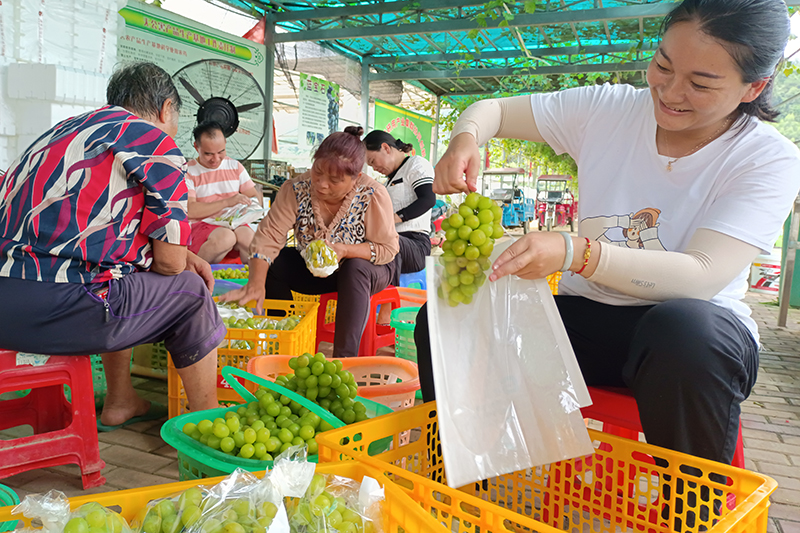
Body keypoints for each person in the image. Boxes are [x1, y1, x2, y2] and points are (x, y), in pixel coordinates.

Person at [415, 0, 800, 465]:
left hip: (691, 343)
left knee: (683, 331)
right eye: (663, 64)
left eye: (700, 83)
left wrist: (577, 253)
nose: (670, 91)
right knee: (445, 324)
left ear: (752, 87)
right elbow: (492, 109)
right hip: (588, 320)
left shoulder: (766, 158)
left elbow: (701, 276)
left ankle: (692, 510)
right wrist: (467, 137)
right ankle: (454, 485)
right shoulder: (608, 109)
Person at [0, 62, 223, 430]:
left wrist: (182, 256)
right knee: (192, 294)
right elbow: (169, 264)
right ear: (166, 109)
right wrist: (182, 260)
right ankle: (207, 426)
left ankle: (121, 400)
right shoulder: (154, 143)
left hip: (7, 303)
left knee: (124, 271)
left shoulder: (59, 132)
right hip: (64, 308)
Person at [222, 130, 399, 358]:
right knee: (276, 263)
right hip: (315, 269)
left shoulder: (372, 194)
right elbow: (269, 236)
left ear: (355, 178)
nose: (322, 184)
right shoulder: (297, 188)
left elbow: (387, 249)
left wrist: (345, 250)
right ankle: (283, 342)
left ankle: (344, 361)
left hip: (370, 268)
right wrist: (256, 282)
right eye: (318, 172)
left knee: (355, 268)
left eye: (334, 180)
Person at [363, 130, 436, 323]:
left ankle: (386, 313)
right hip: (391, 241)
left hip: (415, 245)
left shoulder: (416, 165)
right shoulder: (388, 182)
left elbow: (428, 199)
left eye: (372, 161)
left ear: (385, 148)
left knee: (389, 243)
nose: (373, 167)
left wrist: (394, 219)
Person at [186, 121, 261, 264]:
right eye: (208, 154)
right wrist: (227, 202)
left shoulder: (235, 166)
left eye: (221, 152)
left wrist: (248, 208)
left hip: (234, 222)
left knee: (251, 240)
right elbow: (190, 210)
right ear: (196, 147)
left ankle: (252, 282)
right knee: (226, 238)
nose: (215, 159)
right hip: (202, 225)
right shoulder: (188, 171)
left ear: (225, 143)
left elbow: (252, 196)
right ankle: (194, 273)